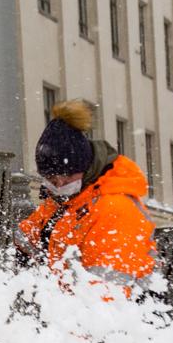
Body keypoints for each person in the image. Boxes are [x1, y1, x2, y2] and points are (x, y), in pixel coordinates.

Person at [15, 99, 155, 294]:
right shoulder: (65, 201)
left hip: (120, 315)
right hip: (69, 311)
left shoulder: (114, 209)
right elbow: (28, 239)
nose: (60, 185)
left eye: (67, 177)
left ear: (85, 167)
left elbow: (106, 297)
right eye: (52, 179)